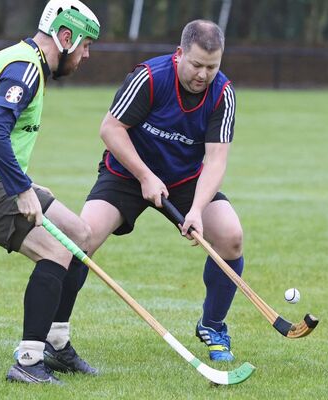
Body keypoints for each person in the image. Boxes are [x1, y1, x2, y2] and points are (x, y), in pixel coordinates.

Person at [0, 0, 100, 385]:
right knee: (55, 252)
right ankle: (28, 360)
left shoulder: (28, 63)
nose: (87, 55)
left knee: (80, 235)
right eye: (86, 45)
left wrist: (25, 182)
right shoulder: (26, 69)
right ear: (65, 37)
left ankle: (57, 344)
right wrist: (21, 189)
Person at [64, 19, 243, 362]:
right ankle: (52, 338)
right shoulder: (150, 77)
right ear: (179, 54)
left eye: (212, 66)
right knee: (80, 240)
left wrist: (195, 210)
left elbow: (216, 159)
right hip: (127, 174)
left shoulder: (223, 93)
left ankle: (213, 325)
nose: (203, 75)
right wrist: (145, 176)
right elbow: (111, 129)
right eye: (196, 65)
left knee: (231, 236)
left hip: (184, 180)